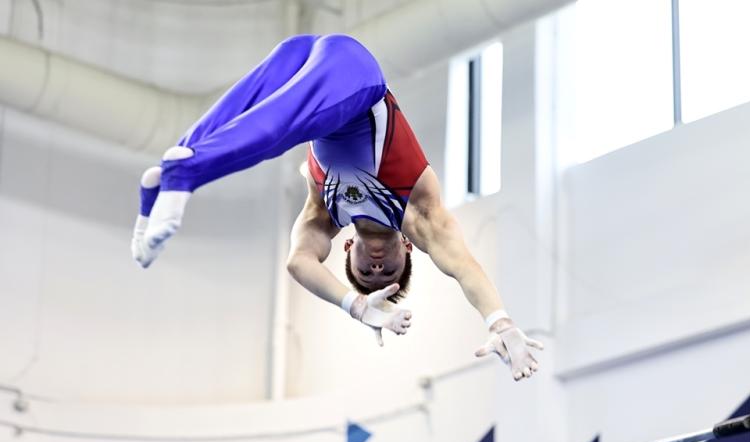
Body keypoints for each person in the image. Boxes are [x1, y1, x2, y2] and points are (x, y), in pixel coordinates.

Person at [131, 34, 543, 380]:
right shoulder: (418, 214)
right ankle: (186, 175)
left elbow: (298, 262)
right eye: (388, 271)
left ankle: (162, 183)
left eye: (366, 272)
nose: (376, 268)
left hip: (300, 55)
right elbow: (464, 265)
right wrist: (500, 322)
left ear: (349, 248)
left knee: (235, 112)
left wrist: (356, 306)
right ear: (408, 247)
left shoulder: (324, 212)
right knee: (278, 129)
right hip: (356, 76)